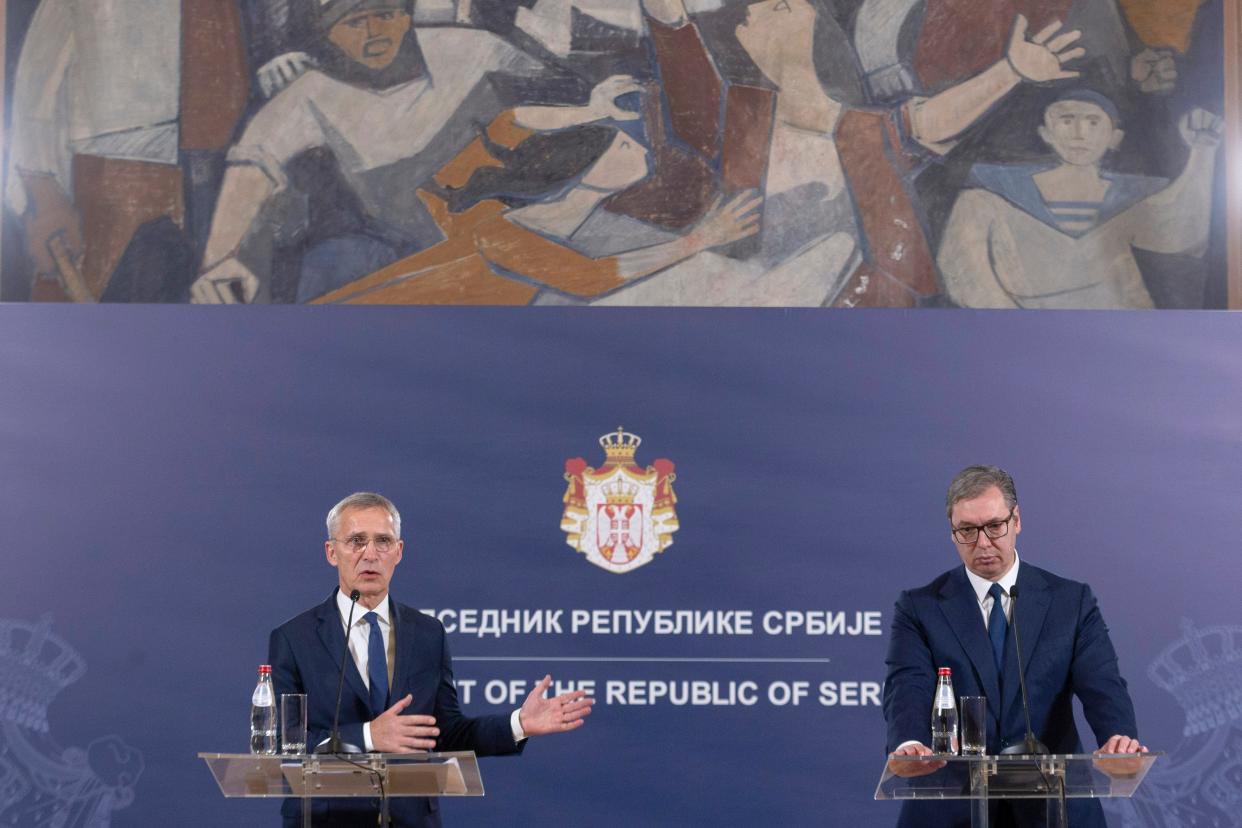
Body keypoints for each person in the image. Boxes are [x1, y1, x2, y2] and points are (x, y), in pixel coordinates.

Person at [268, 492, 592, 827]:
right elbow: (285, 745)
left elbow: (446, 732)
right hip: (326, 820)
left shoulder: (427, 634)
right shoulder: (294, 639)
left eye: (383, 541)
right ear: (331, 552)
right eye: (356, 541)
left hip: (410, 819)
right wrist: (367, 736)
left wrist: (518, 724)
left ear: (399, 552)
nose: (370, 554)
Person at [883, 465, 1146, 827]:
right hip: (952, 809)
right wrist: (908, 744)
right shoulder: (920, 608)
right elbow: (907, 685)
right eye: (967, 531)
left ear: (1016, 519)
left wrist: (1118, 738)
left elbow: (1103, 683)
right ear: (952, 533)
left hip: (1052, 809)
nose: (983, 543)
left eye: (994, 526)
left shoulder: (1070, 602)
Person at [937, 91, 1222, 308]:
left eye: (1093, 122)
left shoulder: (1130, 196)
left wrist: (1203, 151)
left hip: (1121, 329)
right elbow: (965, 278)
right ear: (1046, 133)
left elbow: (1182, 235)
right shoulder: (989, 194)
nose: (1079, 133)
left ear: (1114, 137)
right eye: (1066, 120)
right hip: (1026, 333)